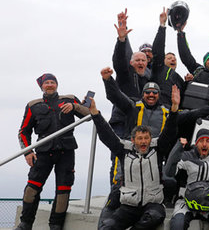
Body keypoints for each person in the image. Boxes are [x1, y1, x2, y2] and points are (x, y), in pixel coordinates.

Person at [92, 85, 180, 230]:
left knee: (155, 217)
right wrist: (95, 113)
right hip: (129, 206)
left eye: (146, 138)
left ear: (151, 139)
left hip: (152, 205)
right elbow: (106, 134)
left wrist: (175, 108)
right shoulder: (124, 150)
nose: (143, 142)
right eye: (140, 138)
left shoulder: (157, 149)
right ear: (133, 140)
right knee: (108, 226)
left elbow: (170, 130)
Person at [16, 74, 91, 230]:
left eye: (52, 82)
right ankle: (25, 224)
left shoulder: (70, 99)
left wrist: (75, 106)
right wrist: (27, 152)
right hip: (43, 152)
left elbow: (89, 115)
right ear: (42, 86)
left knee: (63, 190)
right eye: (47, 83)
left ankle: (56, 225)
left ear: (57, 85)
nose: (50, 85)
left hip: (67, 152)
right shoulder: (33, 105)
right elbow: (24, 131)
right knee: (31, 188)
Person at [170, 128, 209, 230]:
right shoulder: (186, 156)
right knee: (178, 224)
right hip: (186, 202)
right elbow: (170, 172)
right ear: (196, 143)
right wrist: (177, 148)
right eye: (201, 141)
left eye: (208, 141)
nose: (204, 144)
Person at [110, 11, 150, 136]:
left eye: (143, 60)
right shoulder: (125, 74)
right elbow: (119, 60)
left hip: (141, 122)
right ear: (131, 63)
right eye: (137, 60)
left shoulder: (149, 78)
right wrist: (122, 39)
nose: (140, 62)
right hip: (121, 121)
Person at [150, 7, 185, 108]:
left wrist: (187, 82)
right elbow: (158, 50)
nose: (173, 59)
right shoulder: (158, 69)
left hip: (171, 113)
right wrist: (162, 26)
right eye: (169, 58)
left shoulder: (179, 80)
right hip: (156, 109)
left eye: (174, 59)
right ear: (163, 60)